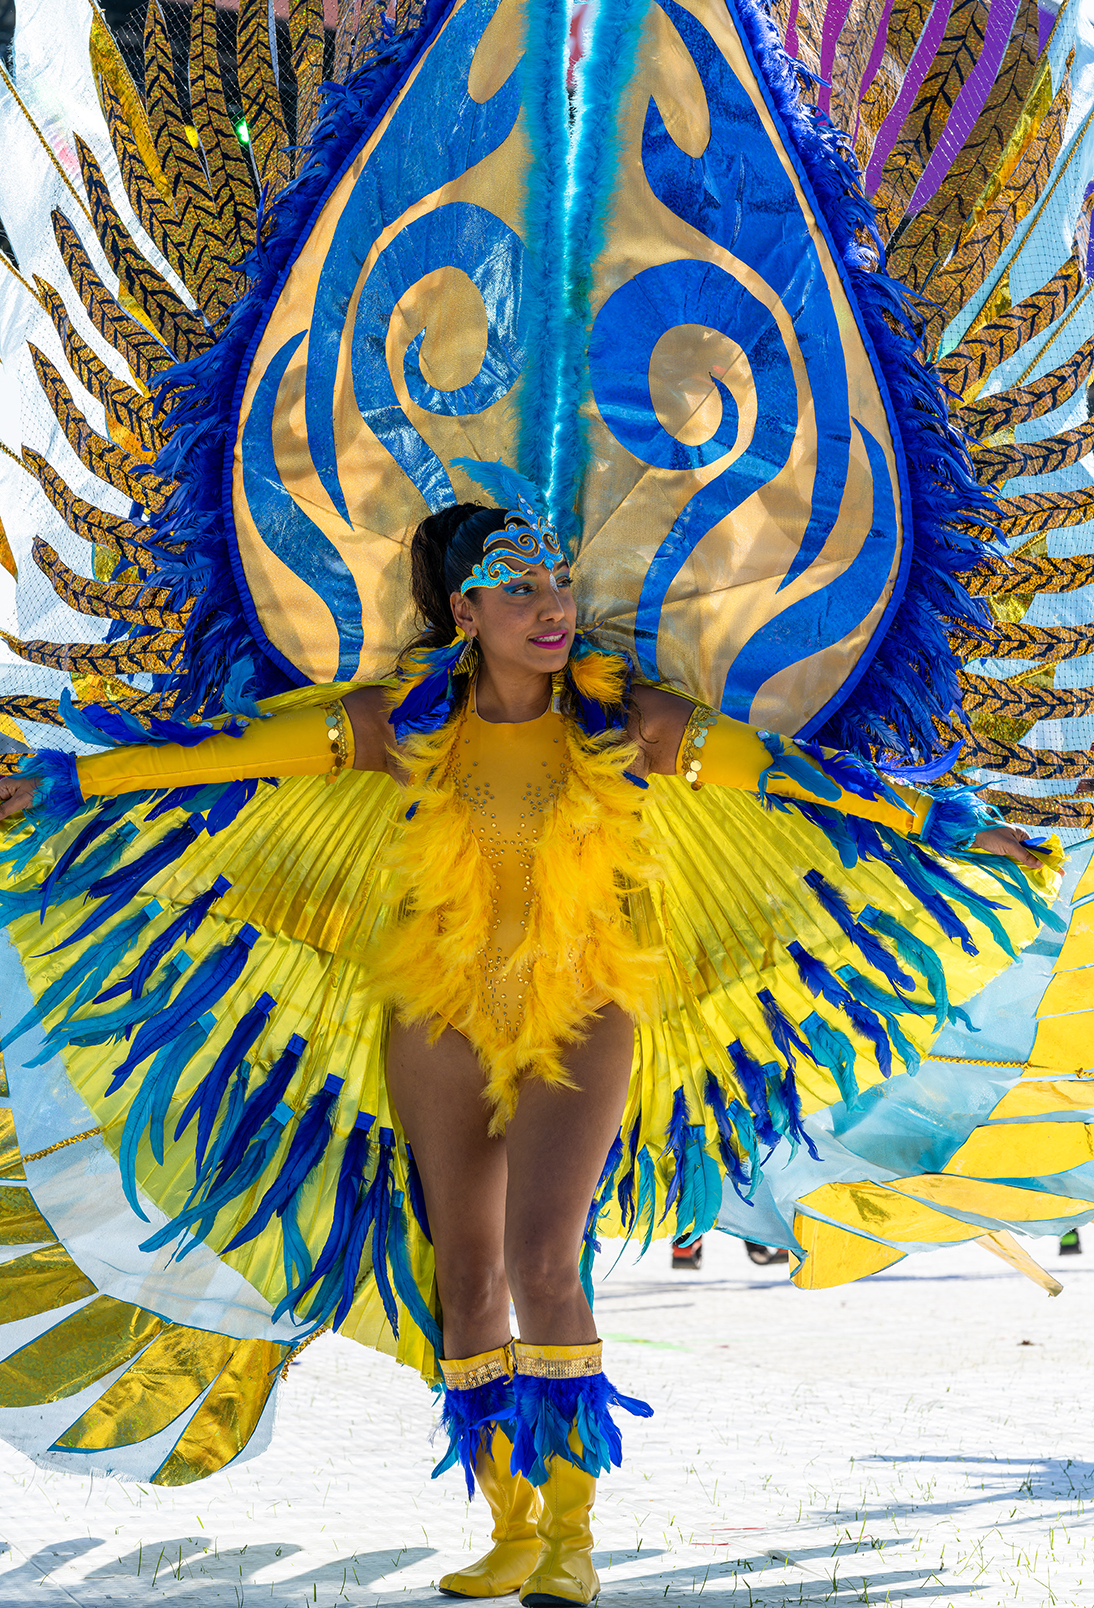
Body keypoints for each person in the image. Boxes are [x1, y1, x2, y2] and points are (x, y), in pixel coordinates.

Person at [0, 483, 1047, 1607]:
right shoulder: (394, 726)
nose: (552, 608)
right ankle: (509, 1522)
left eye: (558, 584)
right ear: (463, 609)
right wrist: (66, 780)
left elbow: (805, 782)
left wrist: (950, 822)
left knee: (548, 1263)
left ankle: (572, 1536)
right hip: (437, 1015)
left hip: (585, 1009)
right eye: (519, 588)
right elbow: (217, 758)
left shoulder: (627, 723)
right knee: (467, 1278)